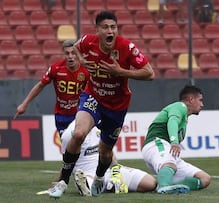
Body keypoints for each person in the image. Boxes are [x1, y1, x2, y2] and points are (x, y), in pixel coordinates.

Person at [48, 11, 155, 198]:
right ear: (97, 30)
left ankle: (99, 178)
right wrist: (82, 61)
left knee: (105, 153)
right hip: (93, 97)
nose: (110, 31)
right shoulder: (88, 41)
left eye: (113, 27)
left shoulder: (127, 48)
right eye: (105, 27)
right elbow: (75, 46)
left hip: (116, 106)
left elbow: (149, 73)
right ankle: (62, 182)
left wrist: (120, 71)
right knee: (79, 133)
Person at [47, 120, 157, 196]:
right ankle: (94, 186)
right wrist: (60, 182)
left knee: (150, 183)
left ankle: (110, 185)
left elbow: (108, 151)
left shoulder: (102, 124)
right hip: (87, 174)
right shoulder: (71, 134)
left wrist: (115, 169)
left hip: (109, 171)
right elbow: (67, 162)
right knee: (86, 183)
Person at [142, 85, 211, 194]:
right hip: (156, 144)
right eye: (200, 100)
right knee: (170, 165)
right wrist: (174, 142)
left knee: (205, 179)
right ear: (191, 99)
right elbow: (172, 121)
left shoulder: (184, 119)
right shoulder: (180, 106)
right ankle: (163, 187)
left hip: (167, 151)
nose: (202, 104)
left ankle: (171, 186)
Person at [14, 40, 89, 136]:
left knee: (80, 143)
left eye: (73, 53)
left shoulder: (85, 71)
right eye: (67, 53)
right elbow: (41, 85)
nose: (70, 56)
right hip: (61, 116)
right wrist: (24, 104)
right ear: (63, 54)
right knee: (68, 147)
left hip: (79, 114)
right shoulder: (56, 69)